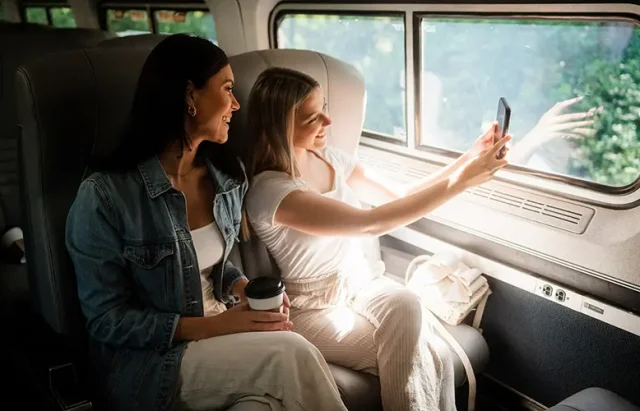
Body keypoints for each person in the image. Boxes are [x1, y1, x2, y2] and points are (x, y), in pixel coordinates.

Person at [65, 35, 348, 411]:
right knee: (291, 352)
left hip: (218, 333)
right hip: (153, 362)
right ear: (189, 96)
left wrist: (240, 284)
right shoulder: (105, 196)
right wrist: (213, 326)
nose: (236, 104)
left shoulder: (225, 178)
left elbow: (203, 261)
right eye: (228, 89)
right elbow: (106, 321)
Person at [243, 67, 511, 411]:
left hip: (361, 283)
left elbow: (398, 196)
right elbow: (369, 224)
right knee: (428, 357)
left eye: (325, 107)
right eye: (313, 117)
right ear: (280, 126)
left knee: (407, 303)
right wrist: (462, 182)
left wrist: (469, 159)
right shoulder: (272, 191)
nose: (328, 120)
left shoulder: (330, 158)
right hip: (314, 306)